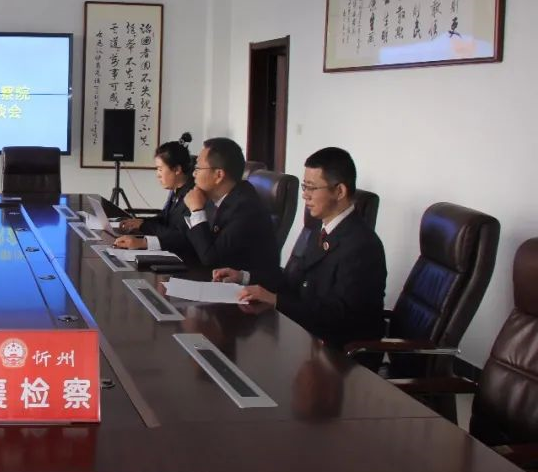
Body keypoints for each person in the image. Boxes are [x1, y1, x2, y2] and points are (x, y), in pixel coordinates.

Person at [215, 147, 387, 351]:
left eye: (311, 188)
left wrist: (275, 300)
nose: (305, 196)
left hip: (341, 355)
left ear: (339, 191)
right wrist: (244, 277)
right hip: (307, 338)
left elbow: (341, 317)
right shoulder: (319, 230)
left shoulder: (362, 246)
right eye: (304, 187)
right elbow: (292, 280)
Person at [168, 137, 278, 275]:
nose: (194, 174)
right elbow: (190, 241)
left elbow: (211, 259)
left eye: (198, 168)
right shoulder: (219, 200)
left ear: (219, 175)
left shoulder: (244, 208)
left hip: (242, 286)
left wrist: (196, 210)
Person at [115, 140, 195, 251]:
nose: (158, 175)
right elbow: (164, 219)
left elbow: (180, 237)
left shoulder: (192, 196)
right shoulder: (177, 191)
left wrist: (144, 240)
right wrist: (141, 222)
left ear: (177, 169)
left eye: (160, 169)